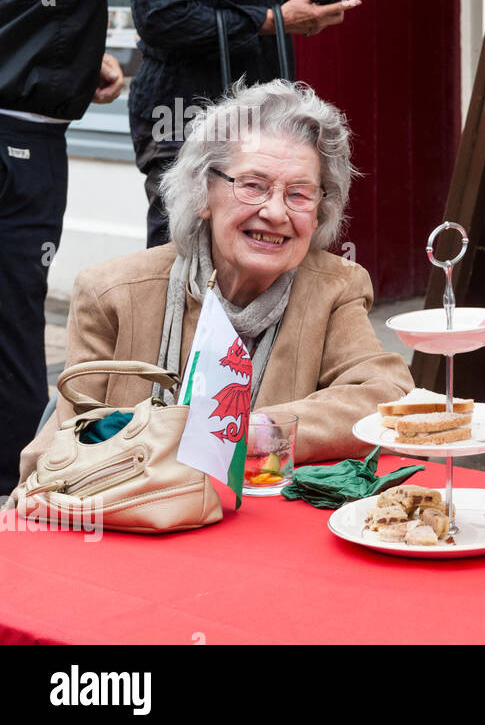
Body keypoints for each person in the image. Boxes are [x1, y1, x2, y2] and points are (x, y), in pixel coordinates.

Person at [15, 80, 414, 486]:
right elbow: (52, 455)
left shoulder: (335, 288)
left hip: (265, 527)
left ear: (320, 210)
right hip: (138, 522)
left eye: (299, 194)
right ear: (204, 193)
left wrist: (246, 432)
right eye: (253, 185)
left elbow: (387, 397)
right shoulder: (112, 293)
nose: (275, 212)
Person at [0, 0, 191, 494]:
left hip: (27, 133)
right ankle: (19, 496)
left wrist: (69, 57)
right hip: (14, 142)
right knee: (14, 328)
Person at [125, 0, 361, 248]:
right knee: (184, 261)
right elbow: (162, 17)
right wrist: (277, 20)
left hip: (253, 115)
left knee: (251, 258)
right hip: (187, 114)